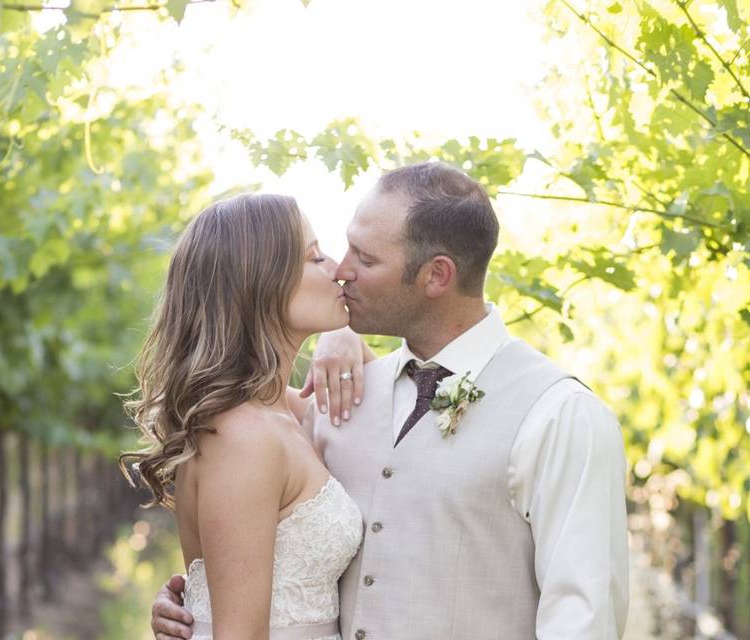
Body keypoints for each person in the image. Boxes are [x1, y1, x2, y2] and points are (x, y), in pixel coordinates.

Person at [151, 162, 629, 640]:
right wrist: (197, 608)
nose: (341, 270)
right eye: (324, 254)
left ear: (436, 276)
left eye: (365, 257)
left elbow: (584, 622)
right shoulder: (334, 405)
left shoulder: (560, 414)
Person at [121, 193, 365, 640]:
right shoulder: (243, 435)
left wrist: (346, 337)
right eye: (315, 258)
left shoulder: (285, 411)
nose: (338, 269)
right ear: (262, 284)